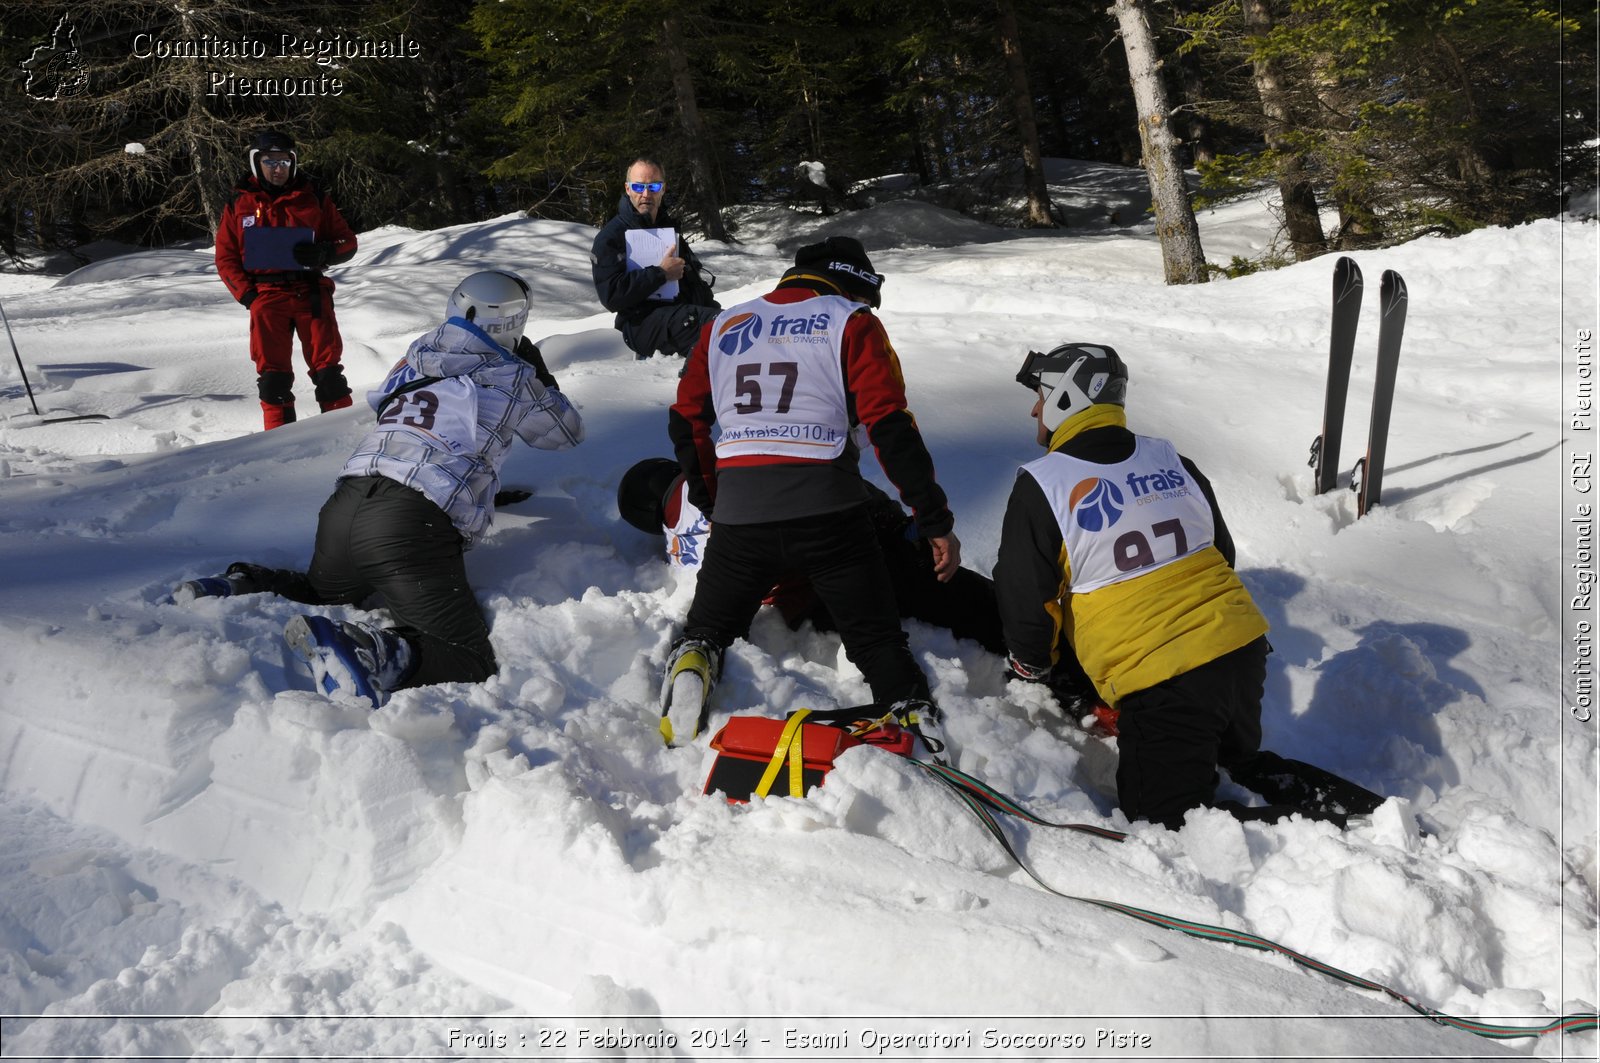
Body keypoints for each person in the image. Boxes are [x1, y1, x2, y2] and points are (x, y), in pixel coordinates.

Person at [994, 342, 1362, 829]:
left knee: (1165, 821)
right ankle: (1358, 813)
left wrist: (1032, 664)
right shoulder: (1171, 459)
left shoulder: (1045, 484)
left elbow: (1026, 599)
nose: (1035, 408)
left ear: (1068, 397)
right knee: (1233, 763)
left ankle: (1345, 835)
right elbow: (1220, 554)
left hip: (1167, 680)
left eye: (1041, 395)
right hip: (1240, 655)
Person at [174, 271, 585, 706]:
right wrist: (535, 371)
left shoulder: (412, 361)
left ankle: (234, 586)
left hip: (347, 501)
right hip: (411, 521)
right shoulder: (512, 376)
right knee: (466, 656)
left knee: (324, 590)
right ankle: (369, 651)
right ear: (512, 324)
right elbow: (565, 433)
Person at [661, 235, 959, 761]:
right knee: (877, 642)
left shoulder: (724, 325)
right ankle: (911, 717)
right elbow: (890, 425)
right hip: (831, 517)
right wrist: (932, 517)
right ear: (853, 284)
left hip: (742, 518)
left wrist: (715, 503)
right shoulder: (850, 322)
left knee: (707, 628)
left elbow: (688, 422)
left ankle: (693, 662)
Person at [618, 457, 1005, 654]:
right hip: (843, 552)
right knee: (970, 602)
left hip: (811, 606)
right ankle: (1026, 637)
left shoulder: (677, 548)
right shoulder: (724, 465)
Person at [215, 130, 359, 430]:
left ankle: (343, 436)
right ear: (257, 163)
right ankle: (279, 446)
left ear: (293, 163)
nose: (278, 168)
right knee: (273, 379)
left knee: (329, 372)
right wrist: (249, 296)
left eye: (284, 161)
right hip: (266, 298)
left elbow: (347, 242)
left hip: (311, 294)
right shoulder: (238, 203)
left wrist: (324, 252)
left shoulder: (313, 196)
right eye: (270, 161)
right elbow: (226, 257)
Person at [590, 157, 720, 360]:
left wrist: (716, 311)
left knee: (734, 323)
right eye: (638, 186)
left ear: (663, 189)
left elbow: (693, 282)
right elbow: (611, 295)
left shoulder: (667, 228)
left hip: (681, 314)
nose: (646, 194)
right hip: (641, 323)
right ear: (627, 188)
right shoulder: (611, 237)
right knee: (721, 329)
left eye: (653, 186)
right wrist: (660, 274)